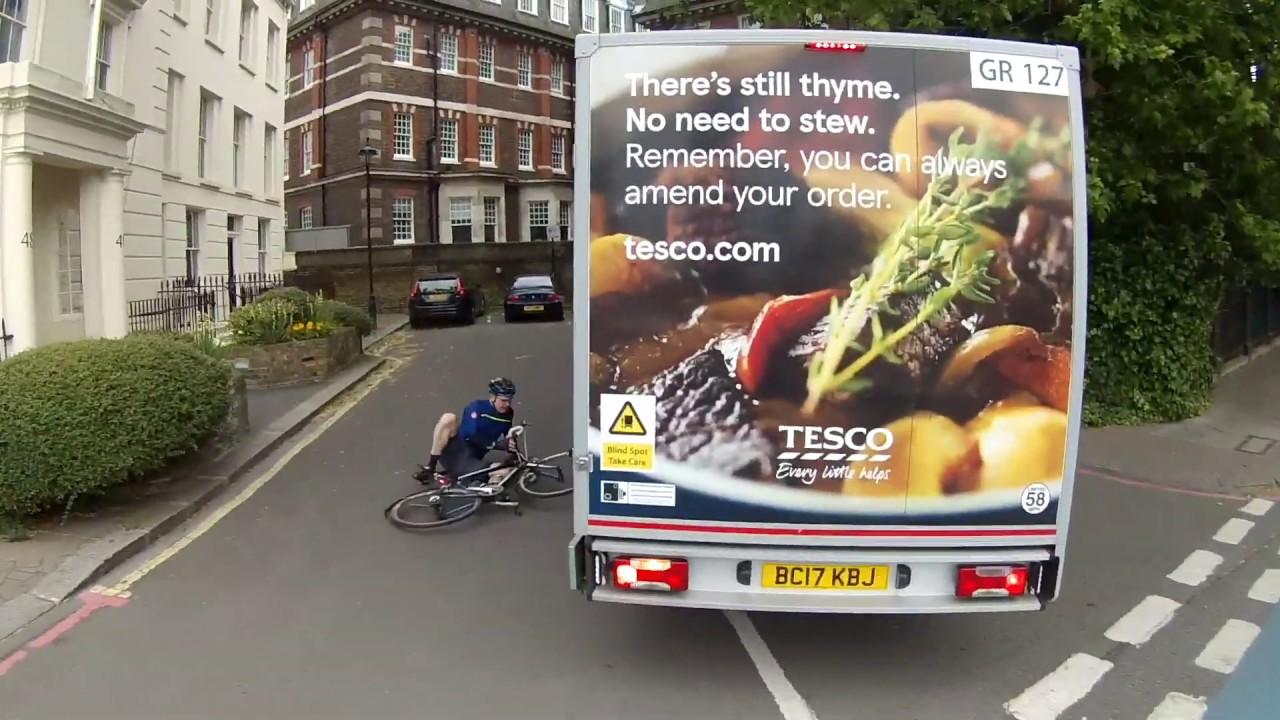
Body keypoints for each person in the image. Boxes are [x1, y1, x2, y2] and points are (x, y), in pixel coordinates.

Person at [415, 377, 517, 487]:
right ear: (493, 397)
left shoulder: (508, 413)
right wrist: (497, 445)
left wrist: (515, 453)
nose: (507, 404)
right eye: (503, 400)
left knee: (507, 470)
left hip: (472, 460)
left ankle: (487, 488)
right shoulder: (476, 407)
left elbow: (508, 435)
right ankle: (430, 466)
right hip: (456, 452)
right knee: (449, 418)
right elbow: (470, 435)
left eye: (509, 400)